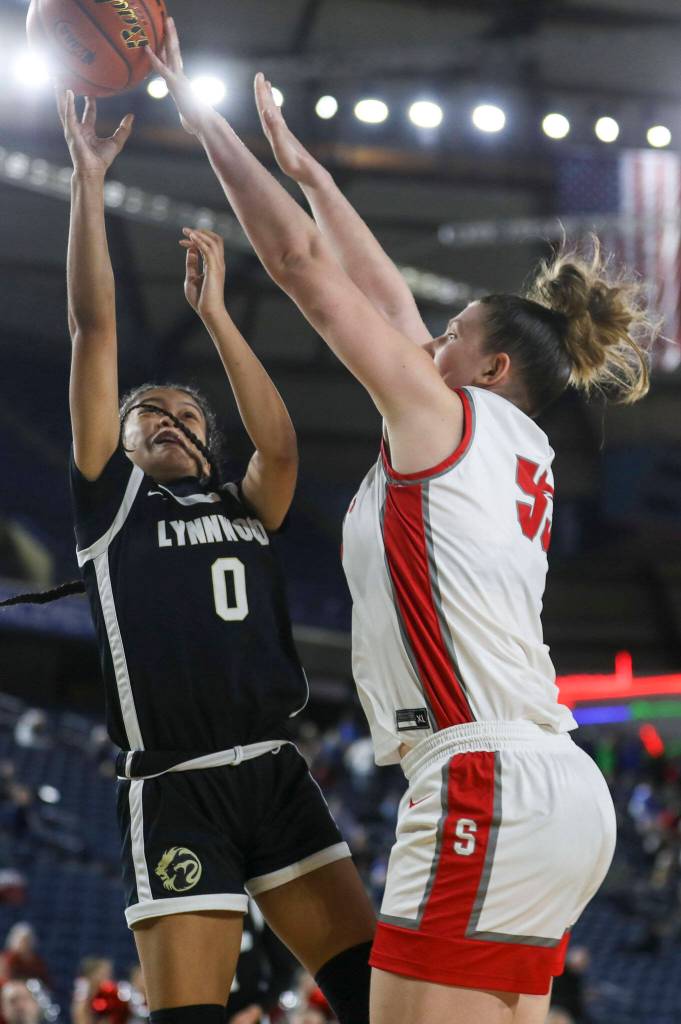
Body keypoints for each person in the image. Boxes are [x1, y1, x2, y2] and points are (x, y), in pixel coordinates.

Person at [149, 19, 652, 1024]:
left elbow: (301, 267)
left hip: (484, 778)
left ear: (490, 368)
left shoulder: (445, 415)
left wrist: (193, 107)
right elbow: (375, 283)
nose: (423, 341)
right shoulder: (504, 437)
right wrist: (313, 172)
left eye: (448, 335)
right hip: (545, 788)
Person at [0, 88, 377, 1024]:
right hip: (175, 784)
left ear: (208, 442)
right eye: (146, 416)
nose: (165, 421)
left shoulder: (244, 499)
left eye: (185, 416)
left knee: (374, 995)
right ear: (117, 443)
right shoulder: (112, 501)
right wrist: (89, 183)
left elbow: (281, 450)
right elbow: (96, 330)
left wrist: (216, 316)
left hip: (277, 773)